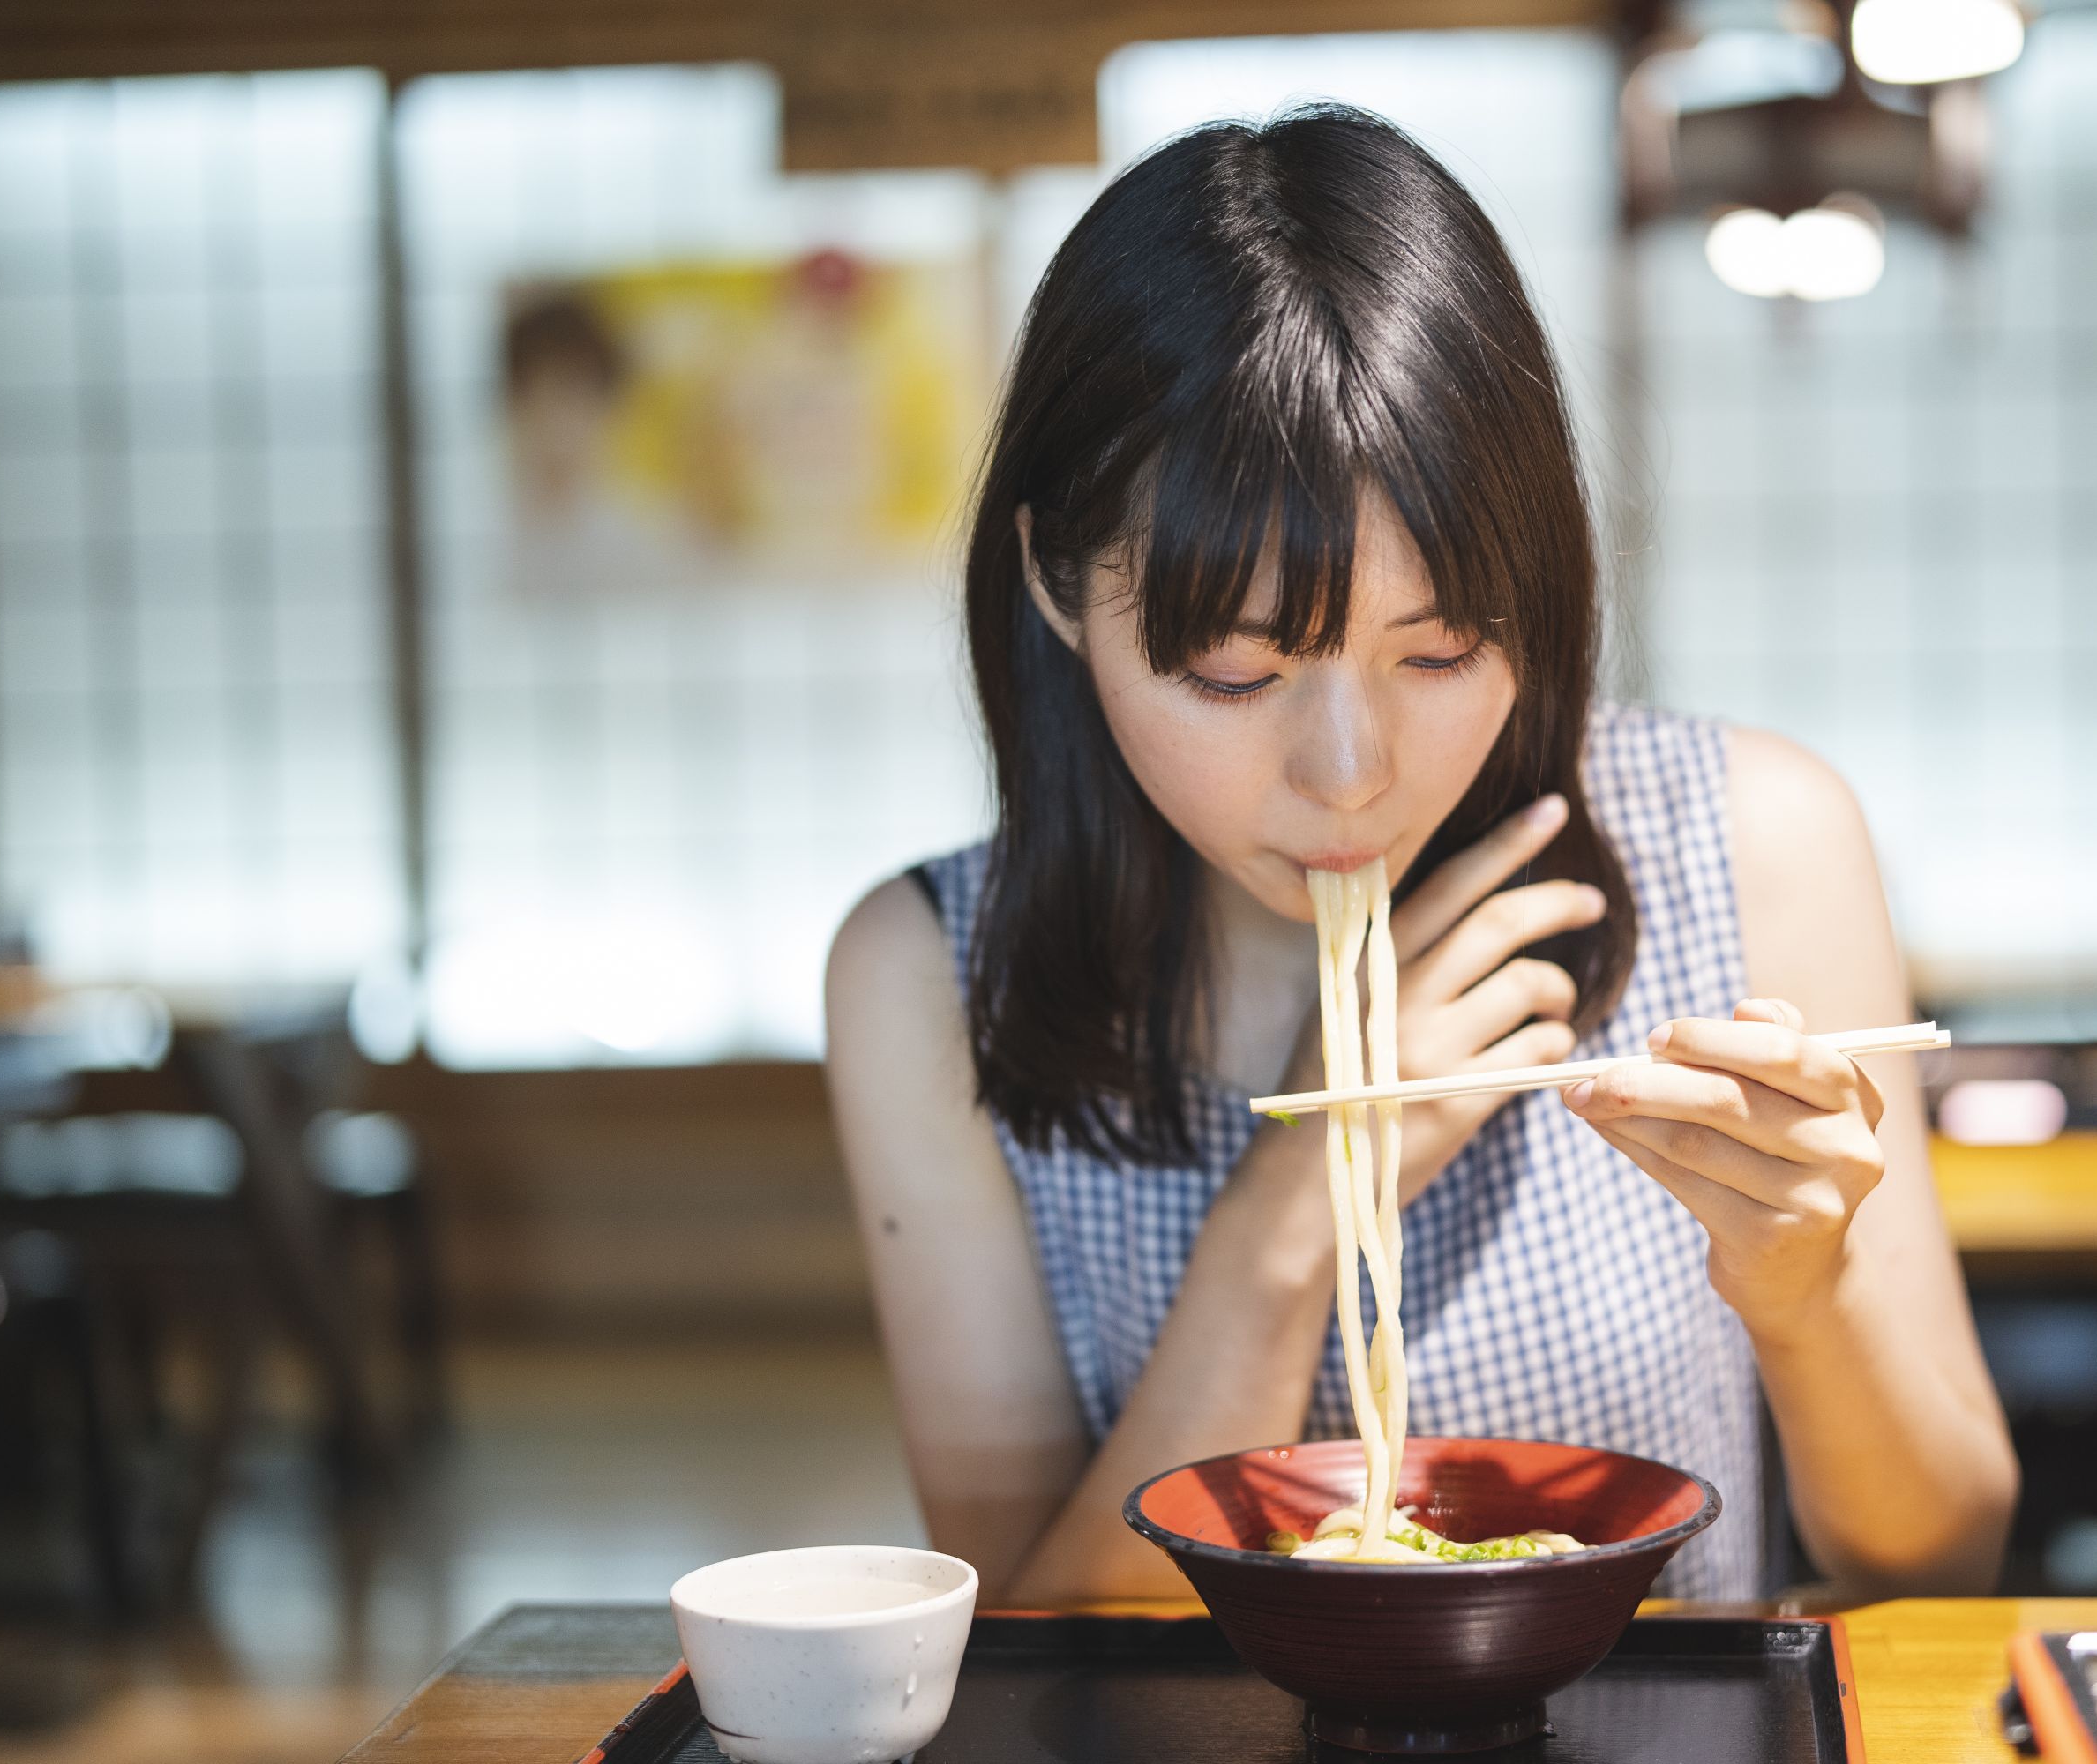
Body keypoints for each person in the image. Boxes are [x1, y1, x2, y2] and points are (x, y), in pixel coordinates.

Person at [824, 105, 2016, 1605]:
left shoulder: (1756, 841)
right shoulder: (931, 972)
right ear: (1057, 587)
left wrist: (1803, 1294)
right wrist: (1293, 1217)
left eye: (1442, 646)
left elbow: (1948, 1554)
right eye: (1237, 673)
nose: (1351, 775)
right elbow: (1028, 1655)